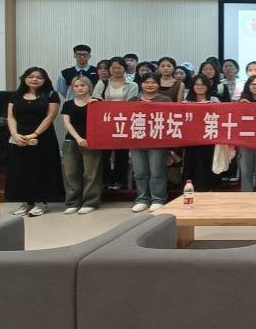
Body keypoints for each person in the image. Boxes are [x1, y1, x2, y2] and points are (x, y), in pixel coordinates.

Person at [5, 67, 65, 216]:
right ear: (25, 78)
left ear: (45, 80)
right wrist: (14, 134)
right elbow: (11, 117)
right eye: (31, 76)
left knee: (41, 169)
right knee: (20, 169)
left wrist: (35, 134)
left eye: (39, 77)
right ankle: (26, 202)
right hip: (19, 137)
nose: (34, 79)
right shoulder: (16, 95)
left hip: (43, 137)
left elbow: (50, 116)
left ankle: (40, 202)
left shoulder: (51, 94)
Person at [93, 56, 137, 190]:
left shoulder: (132, 85)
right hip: (106, 123)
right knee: (104, 153)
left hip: (124, 123)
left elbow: (131, 103)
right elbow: (96, 101)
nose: (116, 70)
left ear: (125, 68)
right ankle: (105, 180)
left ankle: (119, 181)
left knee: (121, 153)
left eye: (119, 67)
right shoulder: (102, 83)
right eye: (113, 68)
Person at [129, 75, 172, 212]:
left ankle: (158, 199)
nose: (150, 85)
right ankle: (142, 199)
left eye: (153, 82)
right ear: (141, 84)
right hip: (137, 140)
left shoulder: (165, 100)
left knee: (157, 171)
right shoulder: (133, 100)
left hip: (157, 141)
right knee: (139, 172)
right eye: (146, 82)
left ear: (158, 85)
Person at [61, 75, 102, 214]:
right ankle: (73, 202)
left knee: (91, 173)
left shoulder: (97, 102)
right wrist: (78, 138)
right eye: (76, 86)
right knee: (71, 173)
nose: (79, 88)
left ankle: (90, 202)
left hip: (92, 142)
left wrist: (96, 105)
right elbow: (67, 123)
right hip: (71, 141)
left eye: (82, 85)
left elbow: (103, 121)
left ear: (89, 87)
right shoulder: (68, 104)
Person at [182, 74, 221, 192]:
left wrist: (212, 107)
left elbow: (222, 115)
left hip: (209, 137)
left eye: (203, 85)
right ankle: (190, 189)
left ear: (207, 86)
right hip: (191, 138)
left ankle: (209, 188)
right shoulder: (186, 101)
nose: (200, 87)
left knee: (208, 161)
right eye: (197, 85)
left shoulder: (214, 100)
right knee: (191, 162)